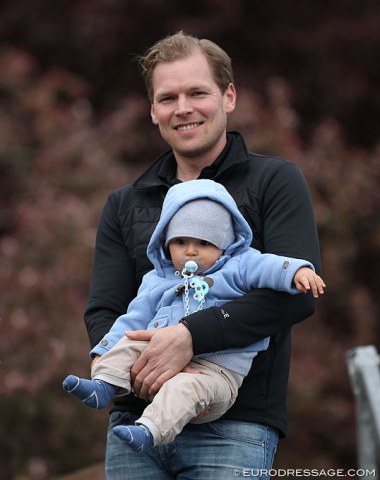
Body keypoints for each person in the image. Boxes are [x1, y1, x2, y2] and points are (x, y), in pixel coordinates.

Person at [82, 31, 322, 479]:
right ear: (154, 110)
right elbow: (105, 308)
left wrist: (191, 336)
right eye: (168, 97)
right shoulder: (125, 203)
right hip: (134, 423)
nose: (183, 108)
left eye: (198, 92)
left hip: (234, 428)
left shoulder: (275, 181)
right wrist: (123, 363)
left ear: (228, 96)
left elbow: (298, 294)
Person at [63, 179, 325, 453]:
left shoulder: (239, 264)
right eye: (180, 241)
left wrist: (298, 272)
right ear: (165, 243)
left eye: (203, 242)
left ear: (224, 243)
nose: (190, 250)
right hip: (158, 357)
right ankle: (103, 385)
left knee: (185, 389)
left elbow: (270, 267)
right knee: (129, 341)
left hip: (215, 372)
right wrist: (104, 351)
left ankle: (148, 430)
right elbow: (131, 319)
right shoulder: (157, 279)